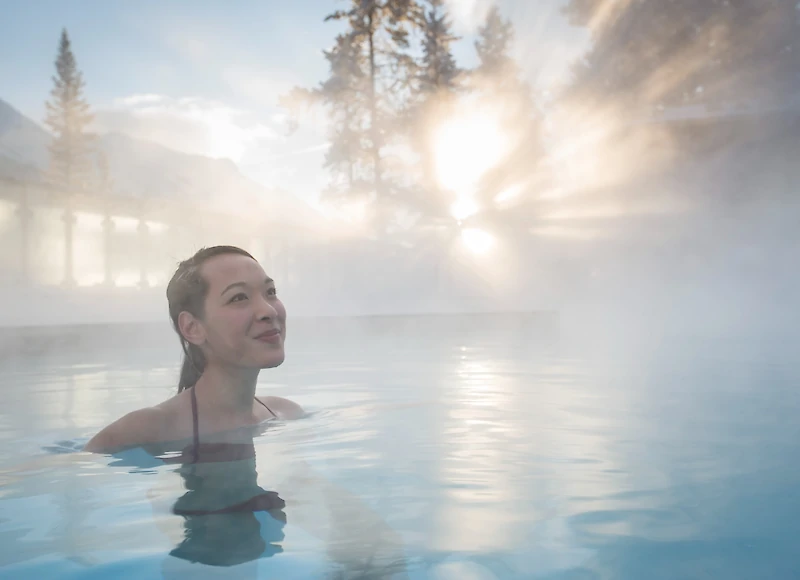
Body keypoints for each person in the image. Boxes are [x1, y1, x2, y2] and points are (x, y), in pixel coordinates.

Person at [85, 245, 304, 455]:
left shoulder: (285, 413)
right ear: (192, 327)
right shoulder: (146, 430)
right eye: (239, 297)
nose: (268, 311)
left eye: (270, 291)